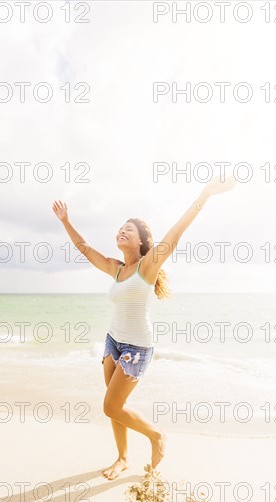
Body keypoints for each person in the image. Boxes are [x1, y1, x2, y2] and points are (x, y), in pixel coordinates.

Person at [52, 174, 236, 480]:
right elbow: (85, 249)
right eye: (120, 229)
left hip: (137, 348)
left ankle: (156, 435)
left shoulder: (148, 265)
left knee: (111, 406)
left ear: (140, 241)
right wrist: (65, 220)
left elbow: (175, 235)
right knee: (115, 404)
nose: (122, 232)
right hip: (113, 342)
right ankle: (122, 458)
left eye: (129, 230)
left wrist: (205, 194)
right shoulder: (116, 268)